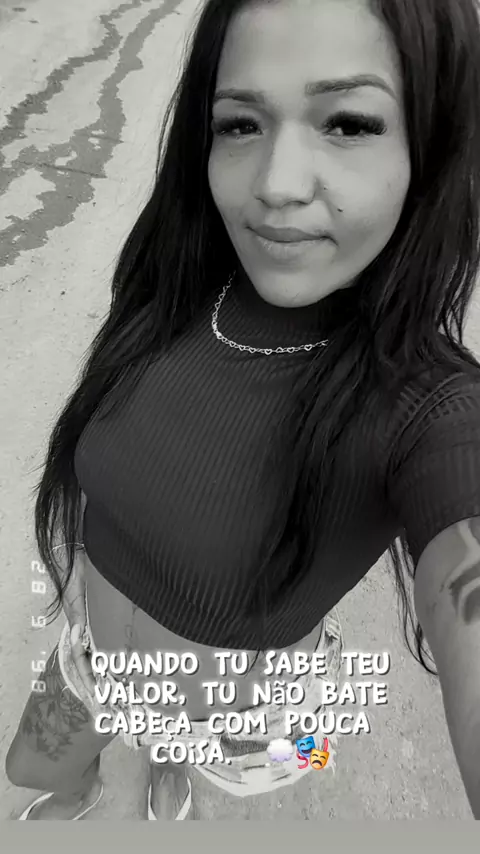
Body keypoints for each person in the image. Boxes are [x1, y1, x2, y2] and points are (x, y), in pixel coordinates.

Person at [5, 0, 480, 821]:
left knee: (220, 754)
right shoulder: (181, 282)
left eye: (348, 123)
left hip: (239, 717)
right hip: (93, 655)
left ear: (432, 147)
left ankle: (174, 764)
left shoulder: (428, 408)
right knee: (27, 767)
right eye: (240, 125)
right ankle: (84, 784)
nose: (275, 187)